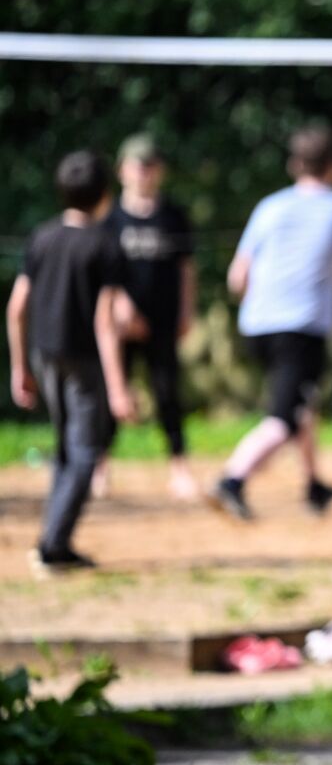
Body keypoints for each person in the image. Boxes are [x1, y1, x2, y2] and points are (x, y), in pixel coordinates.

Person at [211, 125, 332, 520]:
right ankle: (232, 479)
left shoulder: (269, 206)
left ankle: (314, 485)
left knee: (304, 406)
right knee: (285, 416)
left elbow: (238, 277)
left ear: (294, 165)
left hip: (257, 324)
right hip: (300, 328)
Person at [7, 150, 135, 575]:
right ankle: (53, 546)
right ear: (105, 195)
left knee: (66, 449)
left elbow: (16, 307)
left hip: (45, 356)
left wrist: (18, 366)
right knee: (84, 453)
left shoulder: (43, 237)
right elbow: (105, 323)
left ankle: (53, 539)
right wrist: (118, 388)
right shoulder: (105, 245)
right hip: (82, 360)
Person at [91, 134, 198, 501]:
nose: (144, 171)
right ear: (122, 170)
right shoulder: (109, 219)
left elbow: (186, 267)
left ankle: (179, 468)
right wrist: (120, 305)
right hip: (119, 326)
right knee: (111, 394)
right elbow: (100, 272)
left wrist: (187, 309)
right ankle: (100, 468)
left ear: (161, 171)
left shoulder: (174, 215)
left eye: (150, 164)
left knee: (168, 393)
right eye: (137, 164)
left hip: (163, 320)